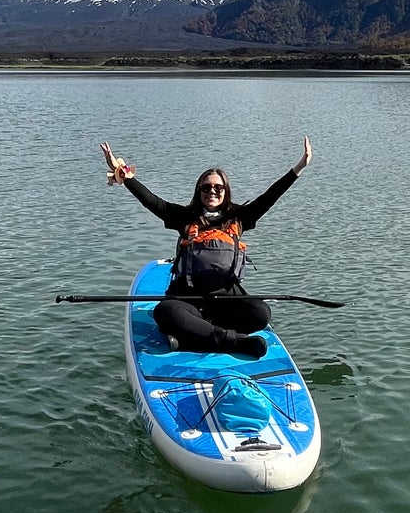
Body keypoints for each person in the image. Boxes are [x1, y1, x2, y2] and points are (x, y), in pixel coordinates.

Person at [100, 137, 313, 358]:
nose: (212, 191)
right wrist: (122, 173)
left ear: (225, 191)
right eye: (207, 187)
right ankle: (233, 342)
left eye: (218, 187)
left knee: (261, 314)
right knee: (165, 312)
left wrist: (299, 167)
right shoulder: (184, 217)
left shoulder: (239, 217)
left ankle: (194, 335)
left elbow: (271, 196)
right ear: (199, 190)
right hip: (187, 299)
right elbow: (152, 201)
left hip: (226, 300)